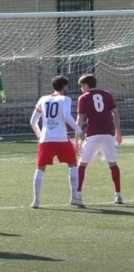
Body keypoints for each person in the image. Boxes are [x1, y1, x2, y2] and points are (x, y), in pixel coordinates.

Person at [29, 76, 85, 208]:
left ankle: (36, 200)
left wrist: (39, 135)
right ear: (64, 87)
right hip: (61, 138)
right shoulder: (65, 99)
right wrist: (79, 131)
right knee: (72, 164)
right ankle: (74, 198)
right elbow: (67, 116)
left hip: (45, 139)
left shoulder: (43, 99)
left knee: (40, 167)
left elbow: (33, 121)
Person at [75, 74, 123, 205]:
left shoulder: (83, 98)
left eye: (81, 86)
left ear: (86, 85)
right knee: (112, 163)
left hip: (92, 134)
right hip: (108, 133)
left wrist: (76, 140)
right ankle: (118, 194)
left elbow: (79, 120)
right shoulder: (107, 94)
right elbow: (115, 113)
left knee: (82, 164)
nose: (81, 89)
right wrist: (118, 131)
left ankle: (78, 194)